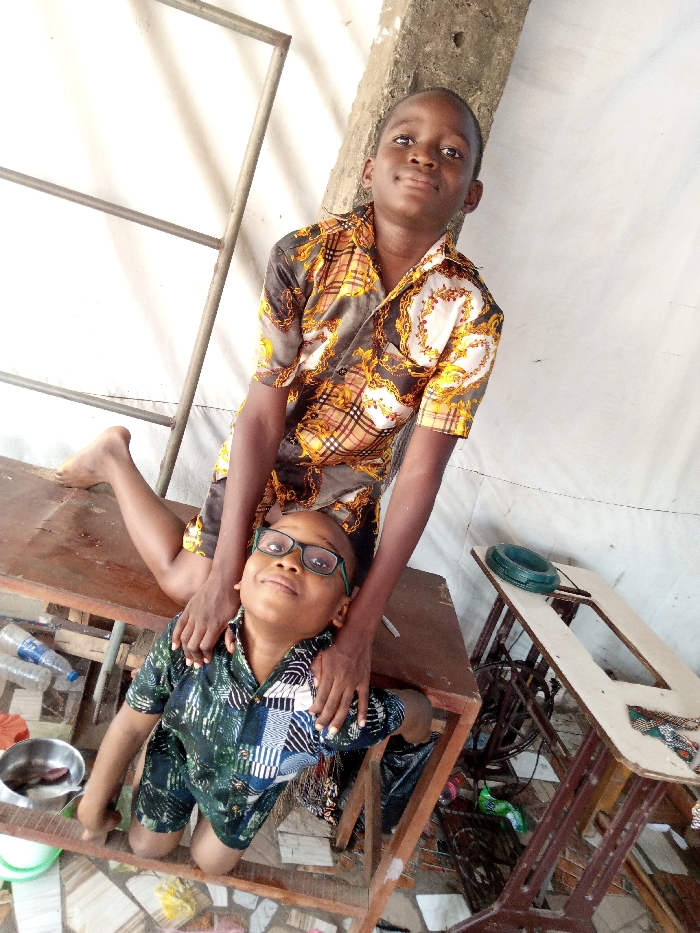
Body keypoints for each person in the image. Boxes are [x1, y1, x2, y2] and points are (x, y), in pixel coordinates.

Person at [57, 87, 503, 735]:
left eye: (451, 152)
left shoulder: (472, 315)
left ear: (471, 195)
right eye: (404, 140)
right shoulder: (303, 255)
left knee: (316, 624)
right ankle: (113, 456)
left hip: (346, 494)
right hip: (265, 459)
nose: (424, 157)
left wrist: (359, 633)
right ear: (369, 169)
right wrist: (223, 576)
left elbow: (420, 473)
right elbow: (264, 414)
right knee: (190, 583)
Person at [77, 510, 432, 873]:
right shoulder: (192, 638)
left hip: (245, 795)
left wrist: (420, 728)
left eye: (320, 561)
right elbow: (130, 724)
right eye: (275, 546)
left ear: (343, 611)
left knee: (212, 863)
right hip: (177, 754)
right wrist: (92, 806)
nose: (289, 562)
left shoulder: (331, 706)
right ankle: (161, 739)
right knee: (147, 846)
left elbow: (413, 712)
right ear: (240, 576)